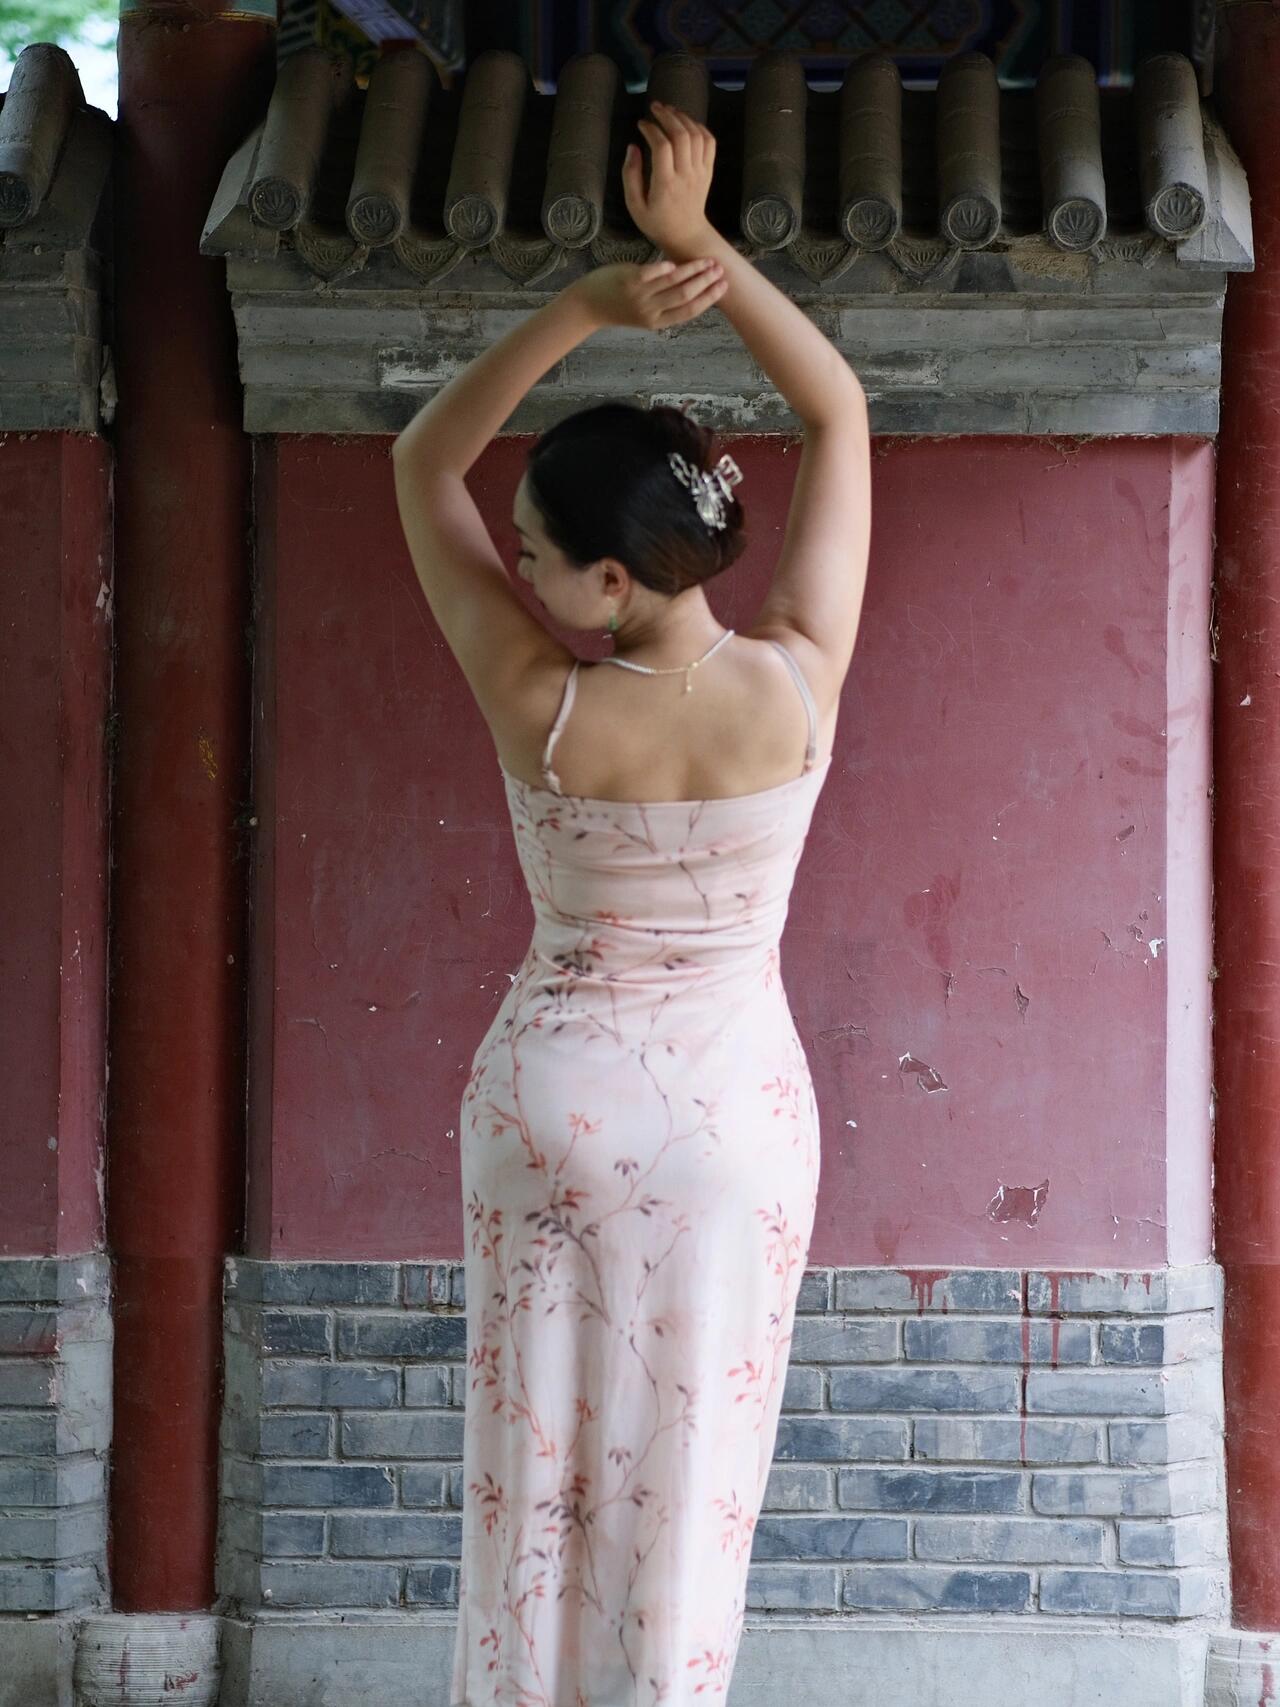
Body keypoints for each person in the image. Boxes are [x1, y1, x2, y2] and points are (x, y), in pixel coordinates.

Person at [393, 95, 870, 1707]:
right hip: (735, 1118)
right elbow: (840, 411)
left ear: (613, 582)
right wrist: (703, 253)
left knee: (532, 1484)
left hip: (554, 1103)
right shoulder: (797, 682)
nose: (519, 569)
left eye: (537, 553)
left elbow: (422, 458)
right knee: (692, 1481)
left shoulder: (543, 704)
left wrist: (591, 306)